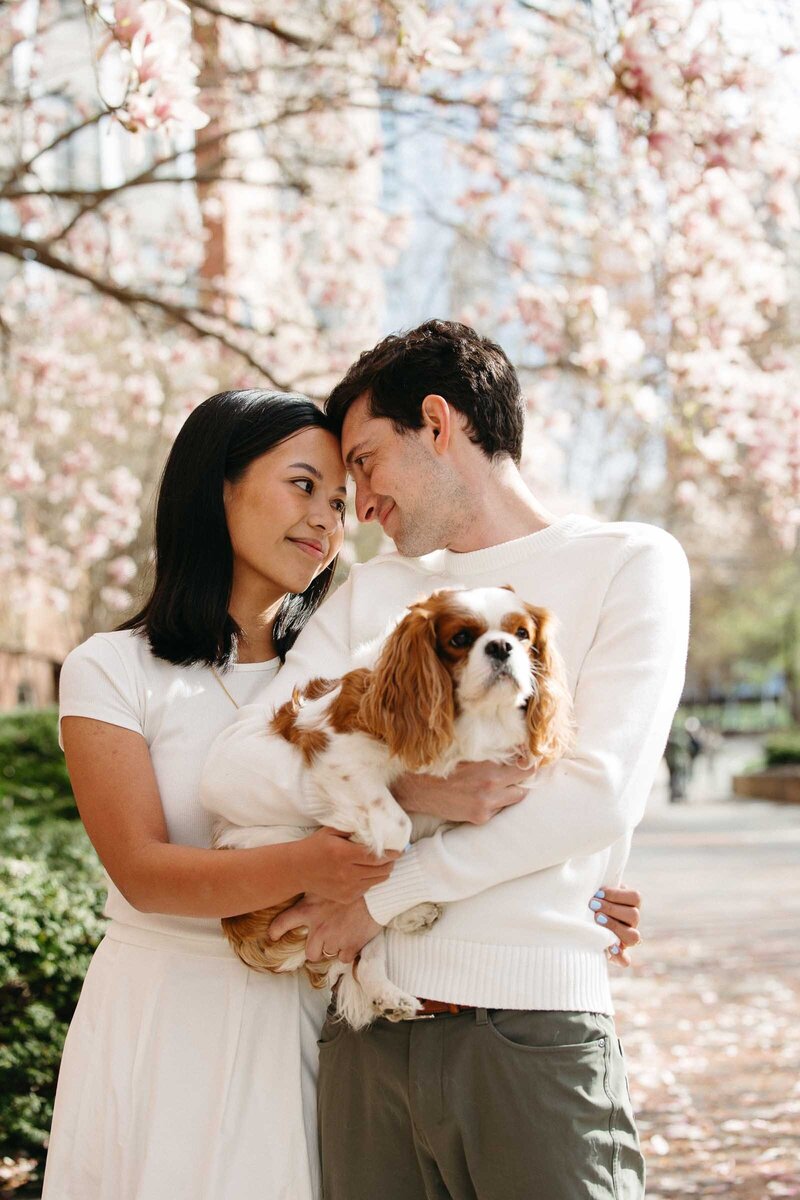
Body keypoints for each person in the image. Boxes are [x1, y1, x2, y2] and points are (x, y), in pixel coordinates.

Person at [202, 320, 690, 1200]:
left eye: (366, 461)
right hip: (363, 1043)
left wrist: (381, 894)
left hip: (531, 1032)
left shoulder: (628, 562)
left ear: (437, 422)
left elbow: (595, 798)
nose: (359, 500)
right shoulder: (373, 593)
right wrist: (422, 784)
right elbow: (232, 770)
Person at [42, 390, 402, 1200]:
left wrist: (585, 888)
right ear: (218, 487)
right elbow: (144, 871)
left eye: (341, 501)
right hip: (166, 1015)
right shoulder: (111, 669)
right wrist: (316, 862)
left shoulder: (339, 675)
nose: (326, 520)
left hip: (313, 1017)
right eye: (303, 485)